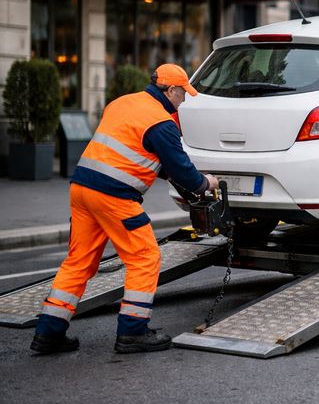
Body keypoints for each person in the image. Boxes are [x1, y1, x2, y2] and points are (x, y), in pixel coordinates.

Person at [30, 64, 219, 355]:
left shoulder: (122, 103)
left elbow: (129, 149)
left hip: (81, 188)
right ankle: (133, 332)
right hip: (113, 196)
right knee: (145, 257)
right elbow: (183, 171)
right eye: (183, 95)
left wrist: (164, 171)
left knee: (78, 261)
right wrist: (206, 182)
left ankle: (48, 333)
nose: (184, 101)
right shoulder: (161, 122)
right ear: (170, 91)